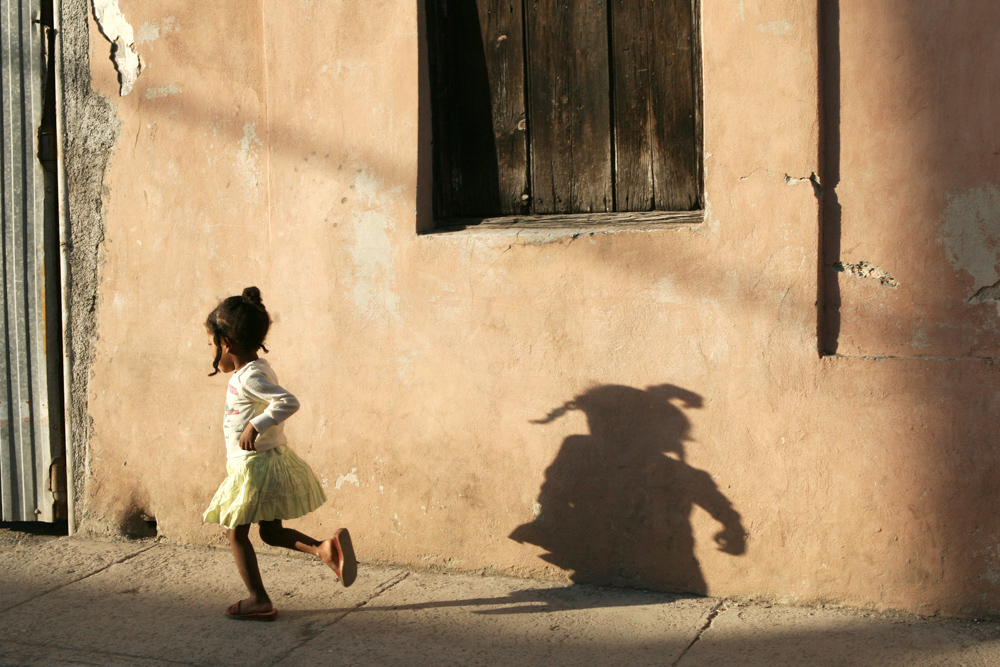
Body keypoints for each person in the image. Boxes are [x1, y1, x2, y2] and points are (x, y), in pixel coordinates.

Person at [202, 286, 356, 621]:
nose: (214, 351)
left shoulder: (251, 376)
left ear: (226, 343)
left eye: (214, 344)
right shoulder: (252, 371)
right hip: (261, 464)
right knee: (270, 532)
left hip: (254, 467)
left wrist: (254, 426)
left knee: (235, 533)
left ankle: (258, 600)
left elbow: (288, 401)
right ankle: (325, 550)